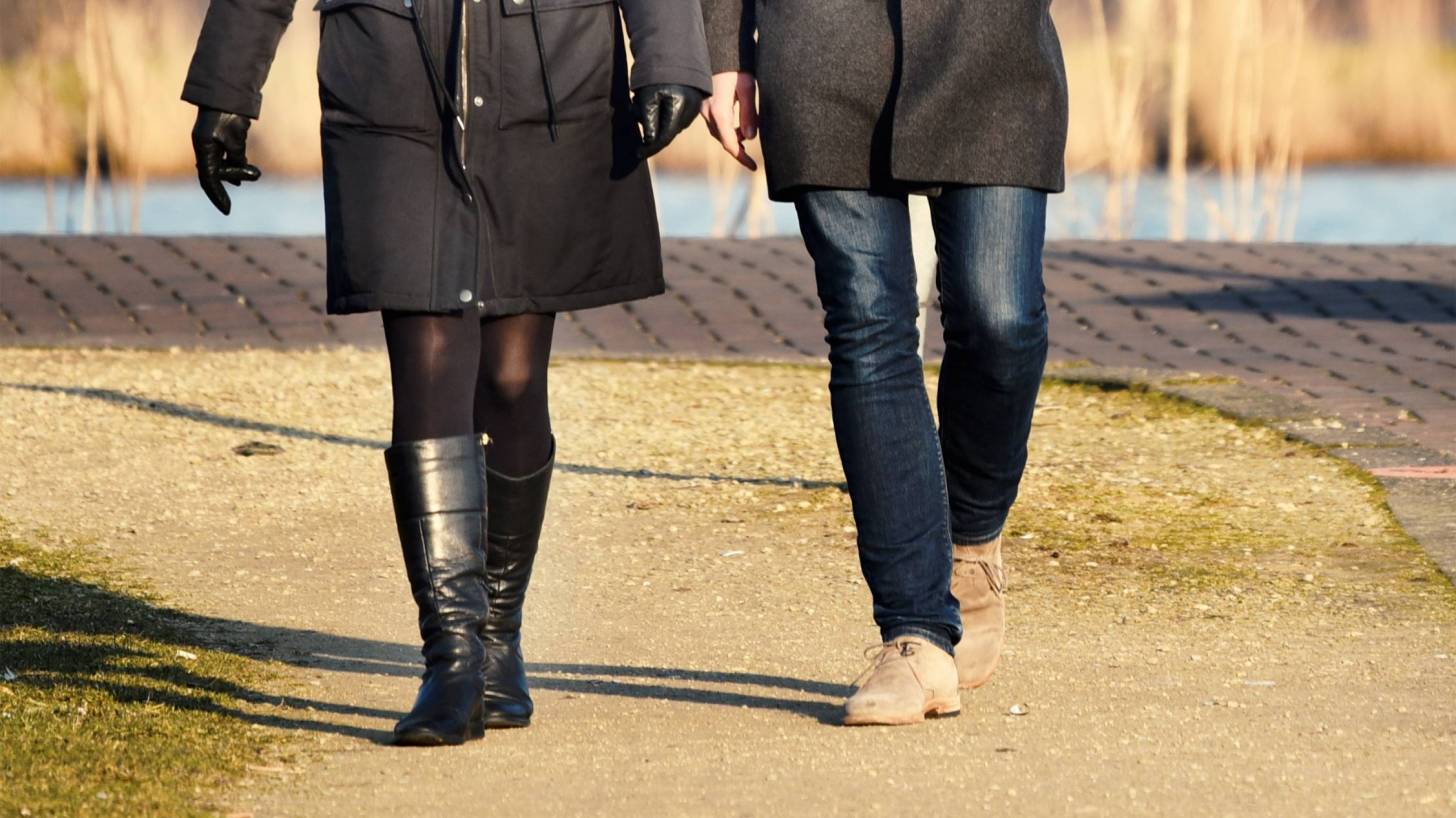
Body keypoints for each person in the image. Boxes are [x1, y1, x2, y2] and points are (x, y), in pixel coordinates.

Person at [183, 0, 710, 745]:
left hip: (550, 72)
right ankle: (452, 659)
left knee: (514, 376)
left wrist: (673, 59)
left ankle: (498, 637)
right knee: (427, 359)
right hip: (391, 80)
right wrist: (225, 90)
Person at [699, 0, 1068, 726]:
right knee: (869, 326)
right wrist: (722, 46)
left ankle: (972, 540)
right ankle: (914, 635)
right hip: (822, 42)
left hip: (990, 42)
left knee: (1003, 319)